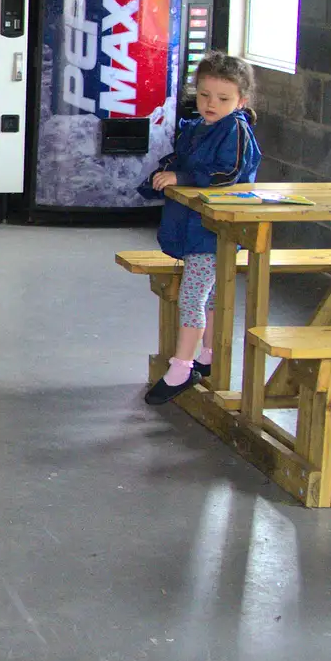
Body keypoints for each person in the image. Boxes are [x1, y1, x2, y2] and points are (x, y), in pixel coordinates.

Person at [139, 52, 261, 405]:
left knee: (193, 297)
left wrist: (184, 176)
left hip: (216, 230)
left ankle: (181, 367)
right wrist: (163, 175)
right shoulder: (199, 126)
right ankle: (207, 356)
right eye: (205, 95)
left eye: (223, 99)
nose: (211, 104)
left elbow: (228, 174)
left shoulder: (236, 130)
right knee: (208, 296)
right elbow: (184, 161)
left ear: (242, 101)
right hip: (196, 225)